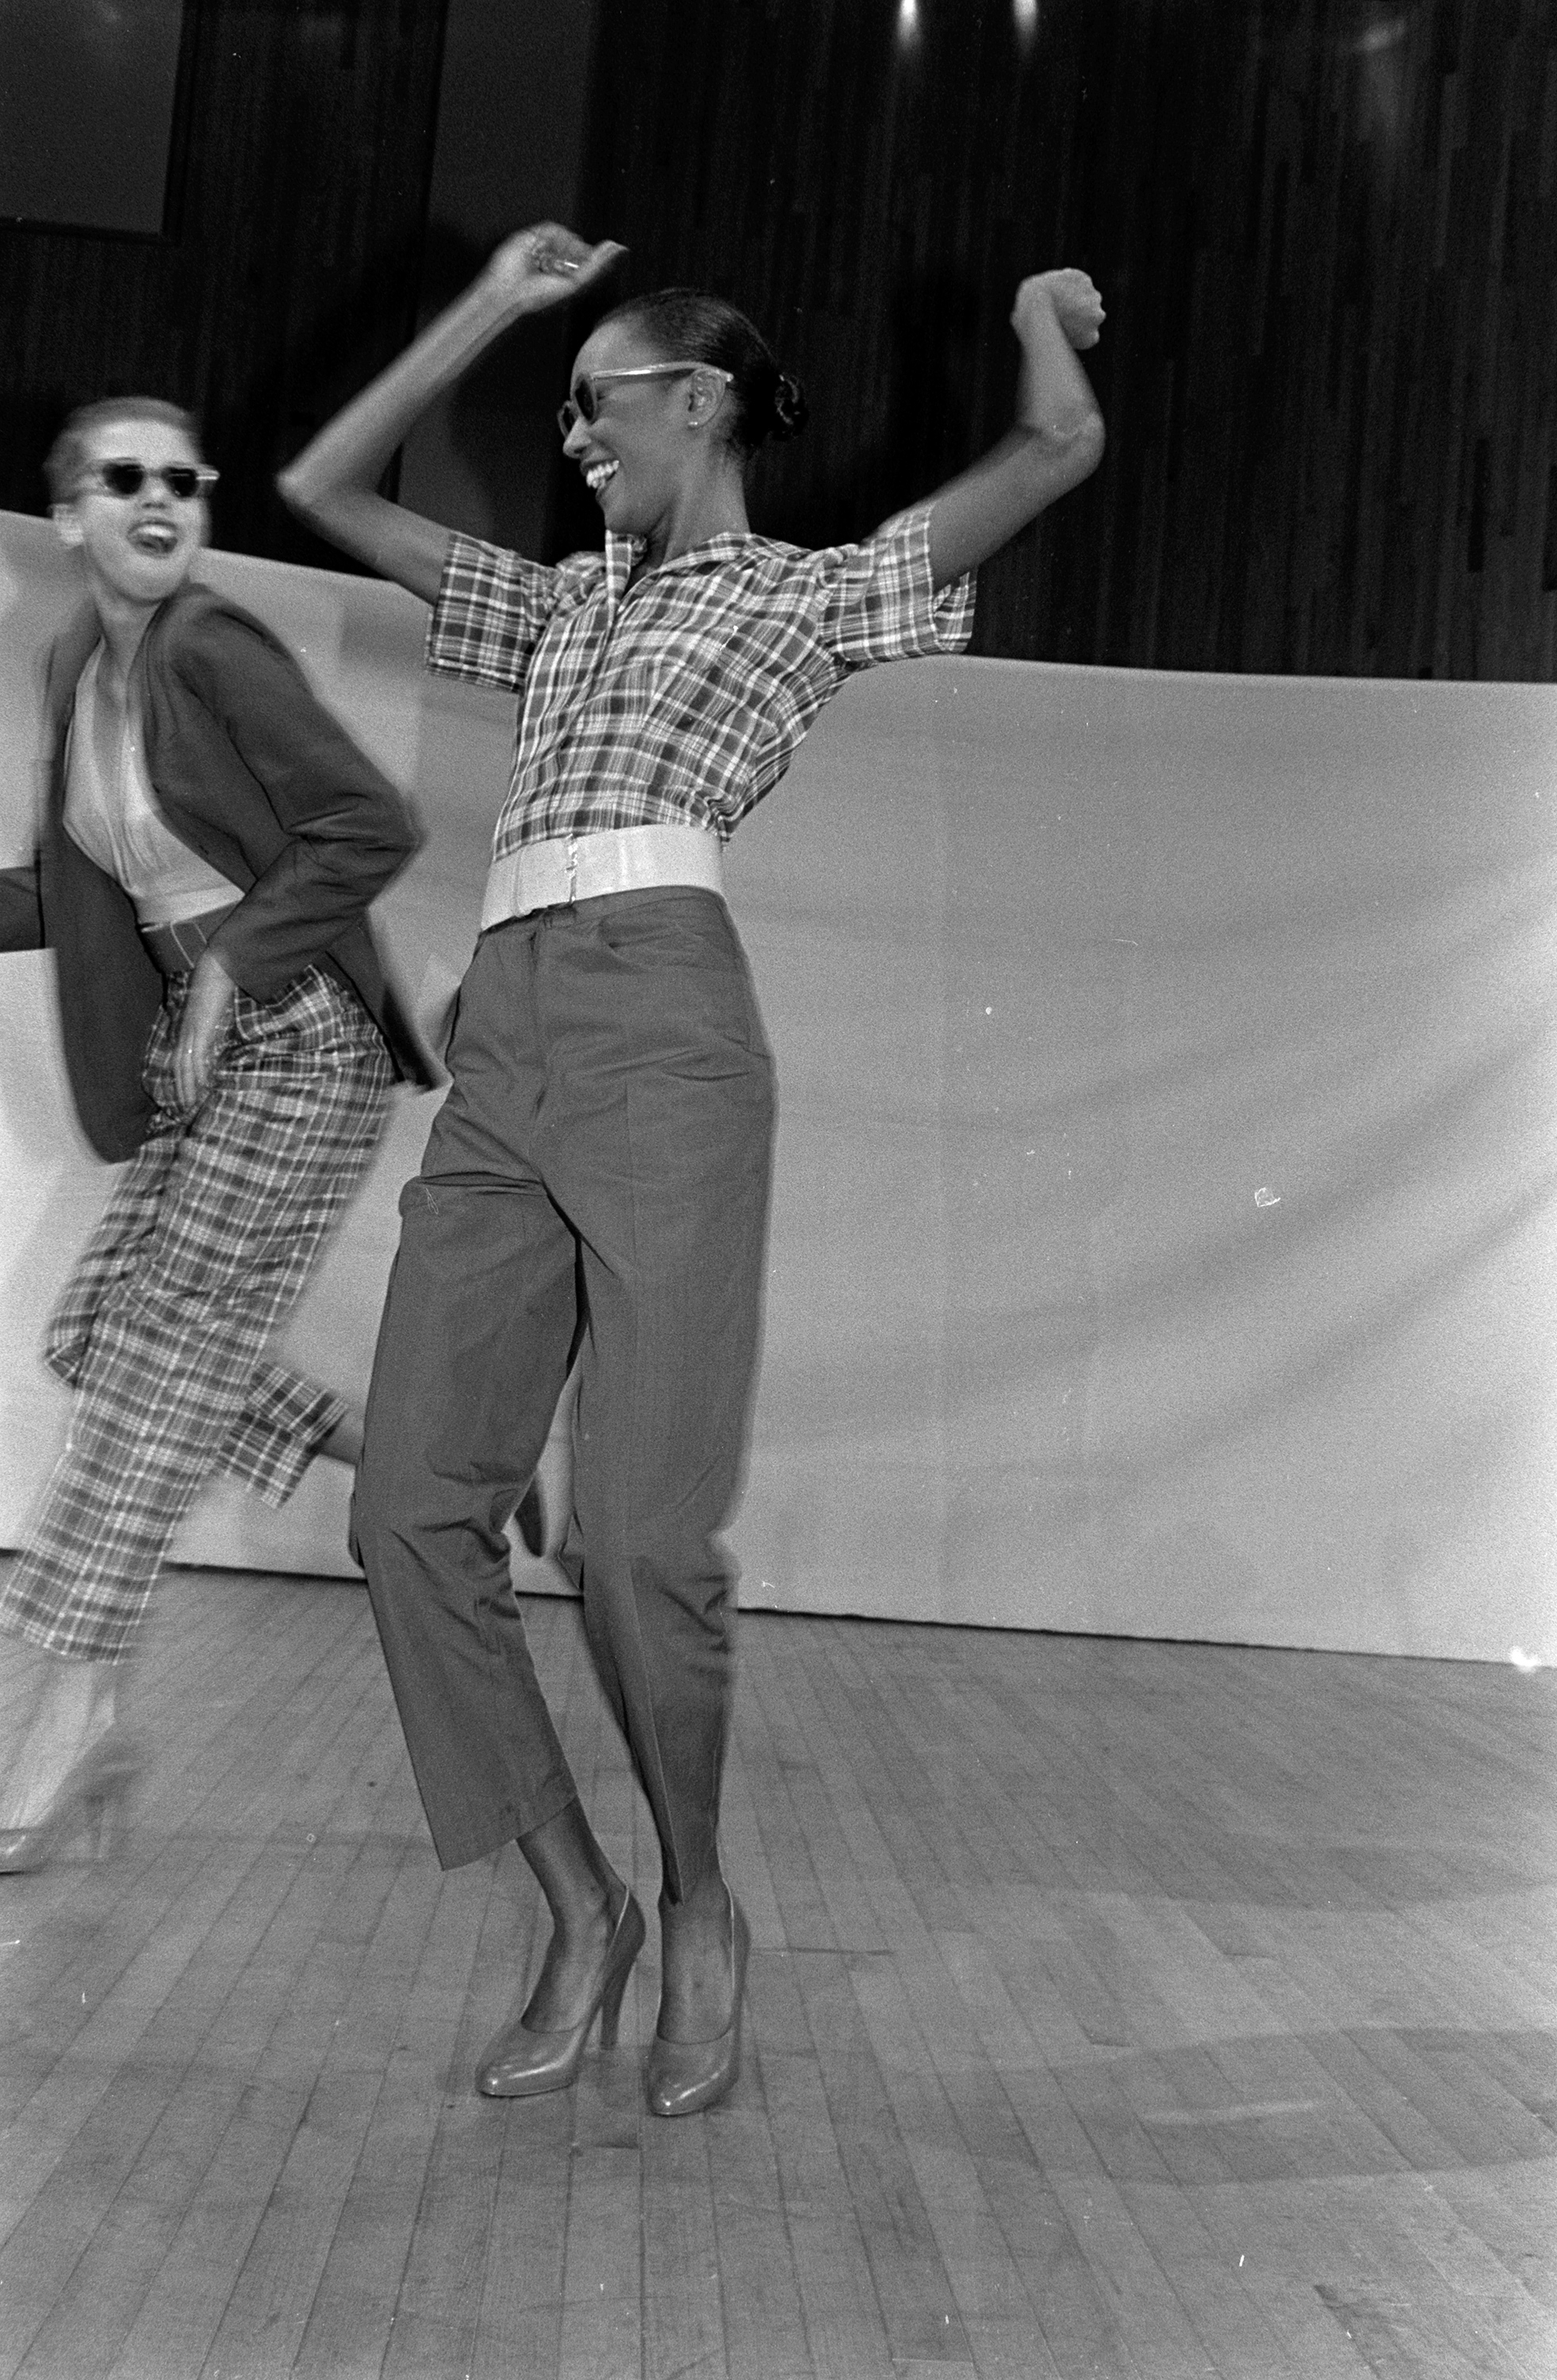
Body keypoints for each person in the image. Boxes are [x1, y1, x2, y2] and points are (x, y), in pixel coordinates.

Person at [277, 225, 1105, 2116]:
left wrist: (1035, 317)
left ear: (702, 400)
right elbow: (321, 484)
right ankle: (578, 1903)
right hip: (506, 1033)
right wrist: (495, 310)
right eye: (560, 410)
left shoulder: (802, 596)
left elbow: (1050, 456)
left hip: (662, 1021)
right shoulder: (558, 610)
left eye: (597, 399)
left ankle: (702, 1898)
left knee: (644, 1546)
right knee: (409, 1511)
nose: (572, 436)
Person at [0, 397, 436, 1872]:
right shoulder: (85, 662)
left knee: (155, 1373)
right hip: (198, 1041)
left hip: (298, 1036)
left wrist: (237, 972)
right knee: (98, 1335)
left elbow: (368, 825)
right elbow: (73, 880)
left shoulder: (211, 647)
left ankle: (62, 1714)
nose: (157, 498)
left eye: (181, 478)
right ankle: (406, 1453)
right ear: (69, 514)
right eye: (122, 479)